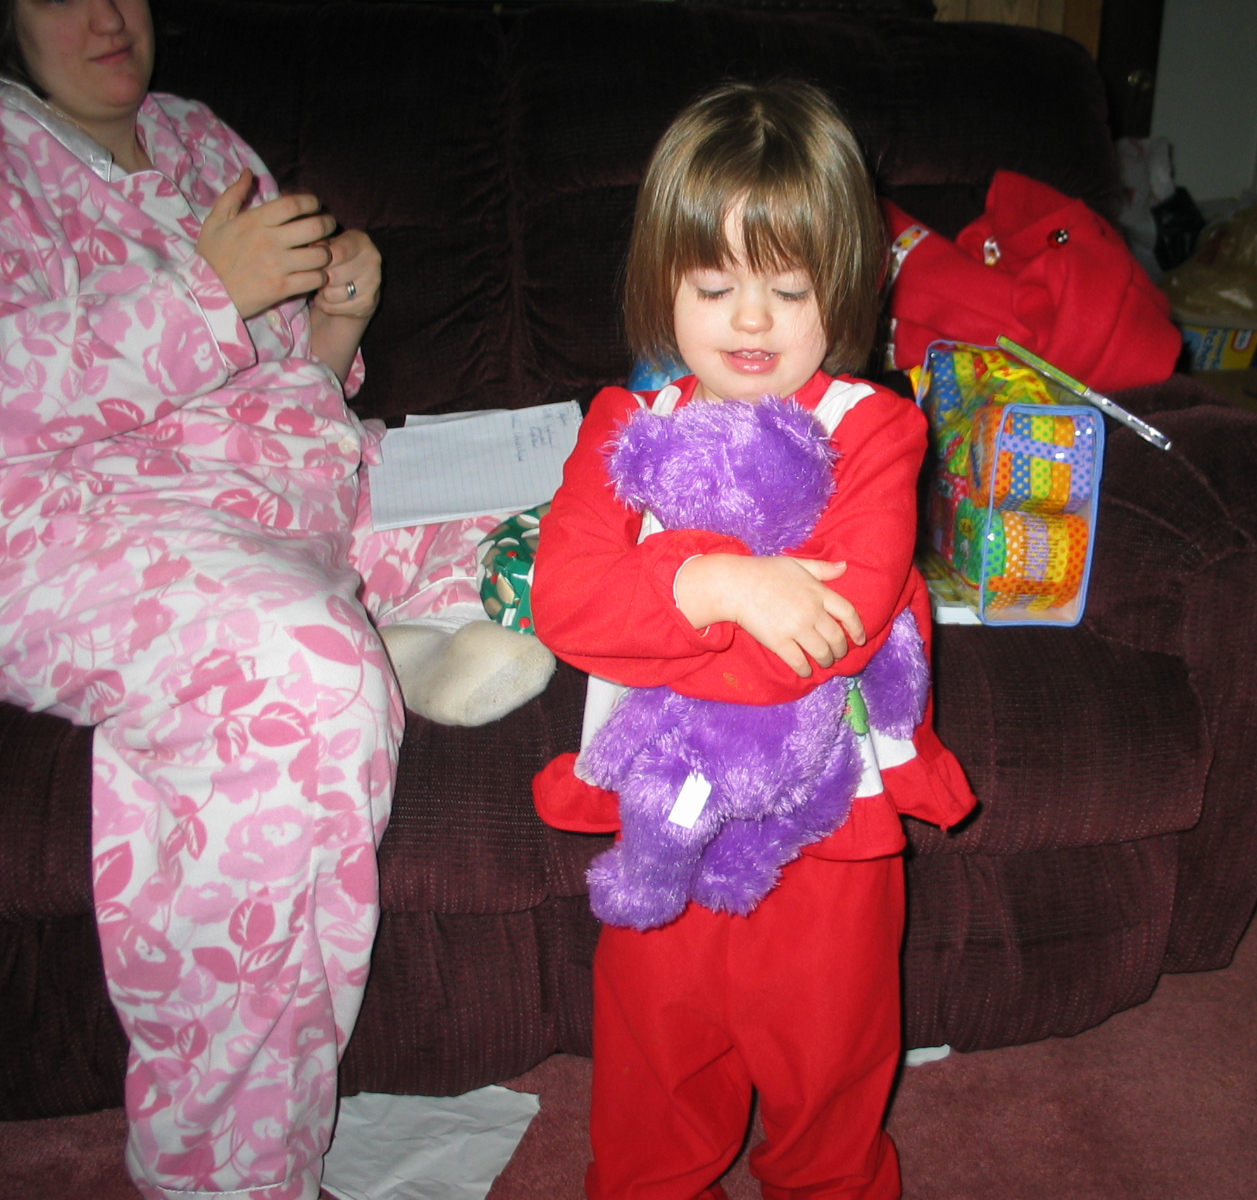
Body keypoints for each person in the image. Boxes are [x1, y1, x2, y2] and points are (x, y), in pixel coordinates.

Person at [0, 1, 551, 1197]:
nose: (106, 14)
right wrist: (207, 294)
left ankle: (398, 623)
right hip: (81, 518)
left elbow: (284, 380)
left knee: (585, 502)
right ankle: (224, 1175)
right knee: (302, 677)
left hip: (287, 487)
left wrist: (336, 319)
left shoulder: (198, 136)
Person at [531, 80, 976, 1200]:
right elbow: (565, 605)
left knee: (829, 1073)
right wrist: (719, 581)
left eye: (788, 289)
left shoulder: (876, 430)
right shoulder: (624, 428)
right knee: (653, 1073)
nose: (749, 323)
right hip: (662, 821)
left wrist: (653, 621)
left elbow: (828, 631)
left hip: (832, 829)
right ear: (662, 283)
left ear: (846, 288)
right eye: (714, 285)